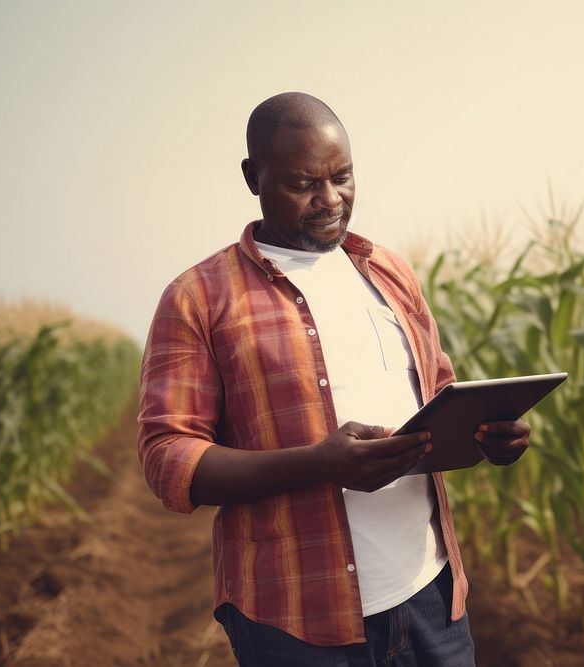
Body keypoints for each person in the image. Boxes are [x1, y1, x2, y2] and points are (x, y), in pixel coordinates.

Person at [137, 92, 531, 666]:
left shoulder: (387, 270)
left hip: (429, 595)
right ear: (253, 177)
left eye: (342, 177)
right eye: (302, 184)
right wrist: (319, 464)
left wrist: (489, 435)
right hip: (294, 620)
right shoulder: (199, 297)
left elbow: (439, 394)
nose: (330, 200)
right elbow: (168, 458)